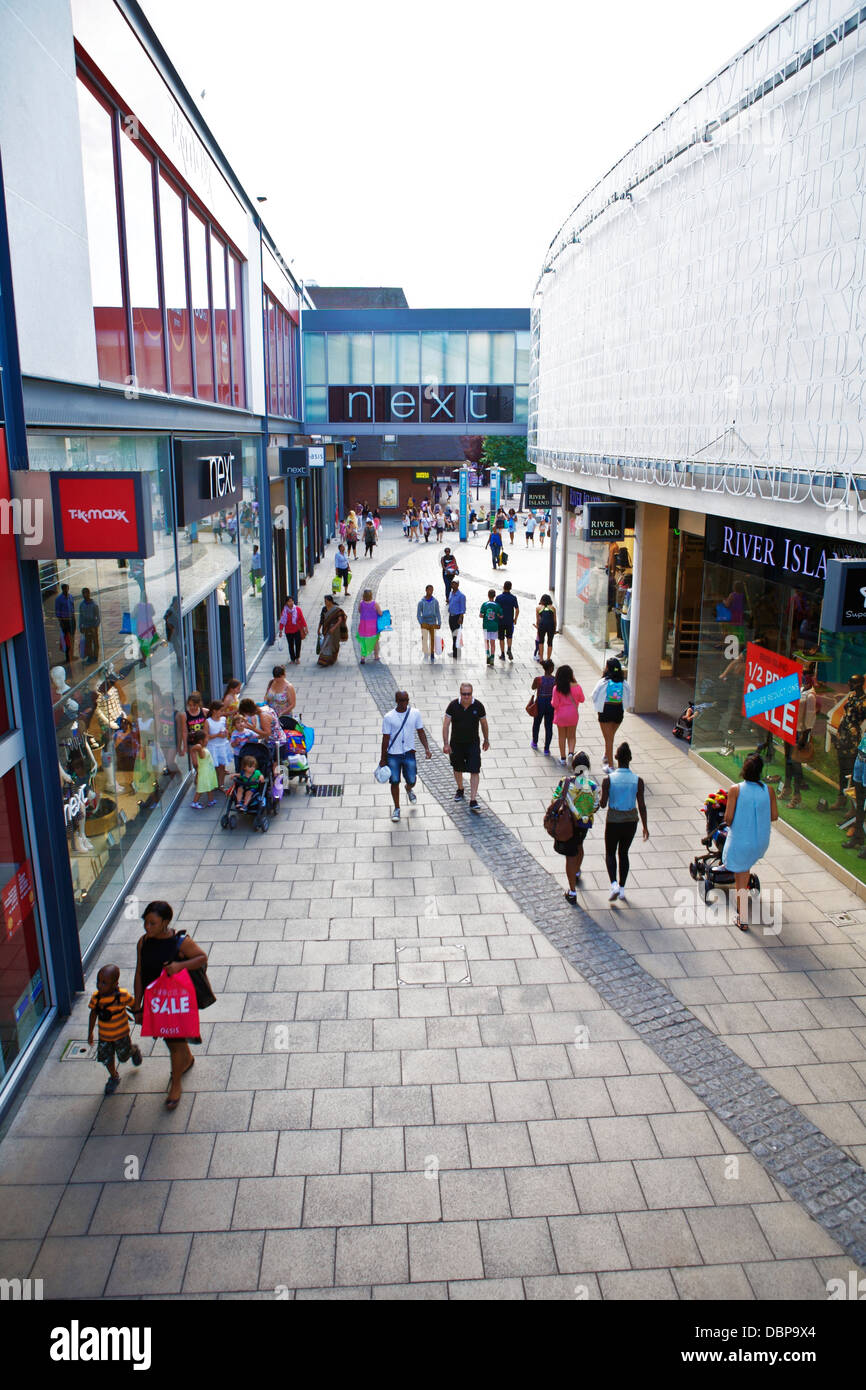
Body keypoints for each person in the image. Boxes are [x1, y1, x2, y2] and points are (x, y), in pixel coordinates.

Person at [132, 900, 208, 1110]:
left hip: (174, 1002)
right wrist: (138, 1006)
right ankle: (187, 1059)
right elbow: (139, 973)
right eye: (145, 922)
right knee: (169, 1038)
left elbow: (201, 957)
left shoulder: (179, 942)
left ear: (165, 922)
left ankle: (175, 1084)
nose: (148, 928)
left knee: (173, 1041)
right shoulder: (143, 942)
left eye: (153, 923)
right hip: (156, 1002)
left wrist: (179, 966)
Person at [723, 753, 778, 931]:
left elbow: (729, 818)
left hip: (741, 841)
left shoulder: (735, 790)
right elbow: (774, 816)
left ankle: (743, 918)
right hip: (760, 841)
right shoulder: (768, 790)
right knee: (745, 871)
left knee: (740, 878)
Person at [599, 742, 649, 902]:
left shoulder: (609, 779)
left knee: (610, 852)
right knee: (624, 853)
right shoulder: (637, 780)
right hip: (631, 821)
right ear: (630, 759)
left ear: (616, 758)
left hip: (614, 819)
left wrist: (602, 792)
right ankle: (622, 888)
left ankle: (613, 883)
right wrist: (645, 827)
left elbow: (602, 804)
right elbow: (641, 805)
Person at [551, 752, 601, 905]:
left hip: (569, 824)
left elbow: (555, 799)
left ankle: (572, 891)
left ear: (574, 767)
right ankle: (577, 870)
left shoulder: (566, 782)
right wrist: (585, 814)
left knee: (570, 856)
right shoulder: (592, 786)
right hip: (583, 825)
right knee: (579, 846)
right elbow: (596, 805)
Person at [88, 962, 141, 1095]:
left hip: (121, 1034)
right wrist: (90, 1033)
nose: (100, 985)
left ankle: (133, 1050)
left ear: (115, 984)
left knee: (123, 1057)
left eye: (104, 982)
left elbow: (134, 1004)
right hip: (105, 1036)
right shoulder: (96, 998)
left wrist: (139, 1015)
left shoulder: (122, 995)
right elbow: (93, 1014)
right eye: (98, 981)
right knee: (107, 1059)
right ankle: (113, 1076)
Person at [379, 690, 433, 822]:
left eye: (406, 700)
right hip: (393, 755)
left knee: (412, 780)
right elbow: (385, 739)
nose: (404, 703)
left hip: (409, 753)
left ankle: (408, 789)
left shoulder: (415, 713)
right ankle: (397, 808)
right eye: (402, 700)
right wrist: (383, 758)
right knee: (395, 781)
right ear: (396, 701)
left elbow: (420, 731)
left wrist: (426, 748)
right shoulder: (389, 717)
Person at [443, 683, 489, 814]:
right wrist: (446, 743)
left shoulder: (478, 706)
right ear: (460, 693)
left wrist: (486, 739)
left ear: (472, 693)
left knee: (475, 770)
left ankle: (473, 800)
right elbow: (446, 725)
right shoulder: (453, 706)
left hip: (473, 743)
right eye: (464, 694)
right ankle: (460, 788)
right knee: (457, 768)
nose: (466, 696)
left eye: (469, 694)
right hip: (456, 744)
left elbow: (484, 724)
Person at [830, 674, 866, 811]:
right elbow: (845, 716)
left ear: (858, 684)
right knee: (842, 769)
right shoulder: (851, 696)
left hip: (853, 737)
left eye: (851, 682)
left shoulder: (864, 702)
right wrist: (838, 732)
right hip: (843, 733)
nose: (848, 684)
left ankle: (853, 806)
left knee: (851, 771)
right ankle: (841, 798)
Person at [591, 657, 632, 771]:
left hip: (606, 711)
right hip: (618, 712)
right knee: (610, 736)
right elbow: (629, 696)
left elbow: (594, 695)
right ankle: (606, 755)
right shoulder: (624, 683)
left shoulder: (603, 681)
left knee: (609, 739)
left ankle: (610, 766)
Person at [786, 671, 816, 813]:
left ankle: (796, 795)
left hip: (799, 733)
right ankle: (787, 788)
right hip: (790, 728)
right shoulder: (800, 689)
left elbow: (810, 720)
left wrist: (804, 738)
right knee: (788, 761)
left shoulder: (810, 696)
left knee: (796, 764)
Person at [178, 692, 209, 807]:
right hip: (192, 743)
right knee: (196, 764)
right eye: (190, 705)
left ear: (199, 704)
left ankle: (200, 780)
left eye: (194, 705)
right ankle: (199, 776)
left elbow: (208, 724)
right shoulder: (184, 715)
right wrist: (184, 746)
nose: (192, 707)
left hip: (202, 742)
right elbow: (184, 731)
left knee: (203, 762)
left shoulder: (204, 712)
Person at [552, 665, 585, 765]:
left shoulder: (556, 688)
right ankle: (571, 753)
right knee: (571, 736)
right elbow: (582, 699)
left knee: (562, 736)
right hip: (573, 714)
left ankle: (563, 758)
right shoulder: (577, 687)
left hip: (561, 714)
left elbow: (555, 704)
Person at [530, 658, 556, 755]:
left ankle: (535, 742)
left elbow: (533, 687)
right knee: (548, 726)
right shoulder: (555, 680)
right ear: (552, 669)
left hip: (540, 702)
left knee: (537, 723)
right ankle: (546, 748)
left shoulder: (538, 679)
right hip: (550, 703)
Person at [205, 699, 231, 794]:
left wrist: (226, 733)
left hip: (223, 745)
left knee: (222, 767)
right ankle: (214, 783)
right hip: (213, 747)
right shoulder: (208, 722)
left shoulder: (223, 719)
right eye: (221, 710)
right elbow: (206, 736)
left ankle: (221, 784)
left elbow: (226, 729)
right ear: (214, 711)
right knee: (214, 767)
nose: (222, 713)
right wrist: (217, 735)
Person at [317, 595, 345, 666]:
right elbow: (322, 619)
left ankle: (334, 657)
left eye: (326, 601)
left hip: (335, 630)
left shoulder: (336, 609)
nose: (325, 603)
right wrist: (319, 628)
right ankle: (325, 660)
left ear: (330, 601)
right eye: (324, 601)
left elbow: (340, 619)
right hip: (326, 629)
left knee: (335, 644)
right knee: (326, 644)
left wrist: (333, 628)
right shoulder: (324, 609)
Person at [278, 597, 308, 664]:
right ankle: (292, 658)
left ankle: (297, 658)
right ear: (286, 603)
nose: (291, 603)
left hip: (297, 630)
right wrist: (280, 631)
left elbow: (302, 618)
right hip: (288, 631)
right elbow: (282, 622)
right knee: (290, 645)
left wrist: (305, 627)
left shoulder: (297, 609)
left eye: (292, 601)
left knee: (298, 644)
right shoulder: (284, 611)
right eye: (289, 601)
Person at [417, 585, 442, 662]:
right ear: (426, 590)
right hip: (424, 622)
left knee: (432, 639)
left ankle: (432, 653)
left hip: (433, 622)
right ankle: (425, 653)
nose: (431, 591)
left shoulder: (435, 601)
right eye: (429, 590)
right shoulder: (421, 602)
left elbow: (437, 612)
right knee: (424, 638)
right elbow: (418, 614)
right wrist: (421, 622)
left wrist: (439, 622)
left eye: (432, 590)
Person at [496, 580, 519, 661]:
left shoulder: (498, 598)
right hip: (509, 621)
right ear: (511, 588)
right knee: (509, 636)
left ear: (503, 587)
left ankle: (502, 654)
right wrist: (515, 619)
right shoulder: (513, 598)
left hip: (500, 621)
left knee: (501, 638)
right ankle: (509, 649)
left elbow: (496, 609)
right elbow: (517, 609)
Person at [358, 589, 382, 664]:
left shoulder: (361, 603)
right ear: (371, 595)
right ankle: (376, 656)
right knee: (375, 641)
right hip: (373, 626)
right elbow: (380, 613)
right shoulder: (375, 604)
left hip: (364, 625)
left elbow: (360, 611)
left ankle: (363, 657)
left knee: (364, 641)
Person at [480, 590, 502, 667]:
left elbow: (481, 615)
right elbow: (501, 616)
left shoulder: (484, 604)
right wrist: (497, 615)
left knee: (486, 642)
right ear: (494, 595)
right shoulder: (497, 605)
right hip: (494, 626)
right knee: (493, 643)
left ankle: (488, 656)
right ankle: (492, 659)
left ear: (488, 595)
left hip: (486, 626)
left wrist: (486, 615)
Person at [55, 583, 76, 662]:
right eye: (65, 589)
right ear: (62, 589)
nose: (66, 590)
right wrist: (61, 622)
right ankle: (67, 656)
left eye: (67, 588)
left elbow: (72, 607)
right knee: (67, 638)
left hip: (71, 619)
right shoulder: (59, 599)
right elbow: (57, 612)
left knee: (72, 637)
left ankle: (72, 654)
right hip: (65, 621)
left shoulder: (70, 596)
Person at [79, 588, 101, 663]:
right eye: (83, 593)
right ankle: (90, 656)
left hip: (93, 626)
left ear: (89, 593)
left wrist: (96, 626)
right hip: (86, 626)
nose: (85, 595)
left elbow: (98, 617)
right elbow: (81, 616)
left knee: (95, 642)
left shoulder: (94, 604)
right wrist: (80, 626)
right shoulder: (82, 605)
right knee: (88, 642)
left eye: (86, 593)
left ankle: (95, 656)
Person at [447, 580, 466, 657]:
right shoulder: (451, 593)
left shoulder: (461, 596)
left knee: (457, 635)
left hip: (457, 617)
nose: (453, 585)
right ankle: (455, 652)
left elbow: (463, 608)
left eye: (455, 584)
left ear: (458, 585)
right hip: (451, 616)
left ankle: (457, 653)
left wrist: (461, 618)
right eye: (452, 584)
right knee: (453, 635)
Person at [535, 595, 557, 662]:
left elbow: (538, 620)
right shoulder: (553, 608)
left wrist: (537, 627)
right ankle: (548, 658)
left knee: (541, 642)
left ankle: (541, 659)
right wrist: (555, 629)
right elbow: (555, 620)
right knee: (550, 642)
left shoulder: (538, 608)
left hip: (542, 625)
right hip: (551, 625)